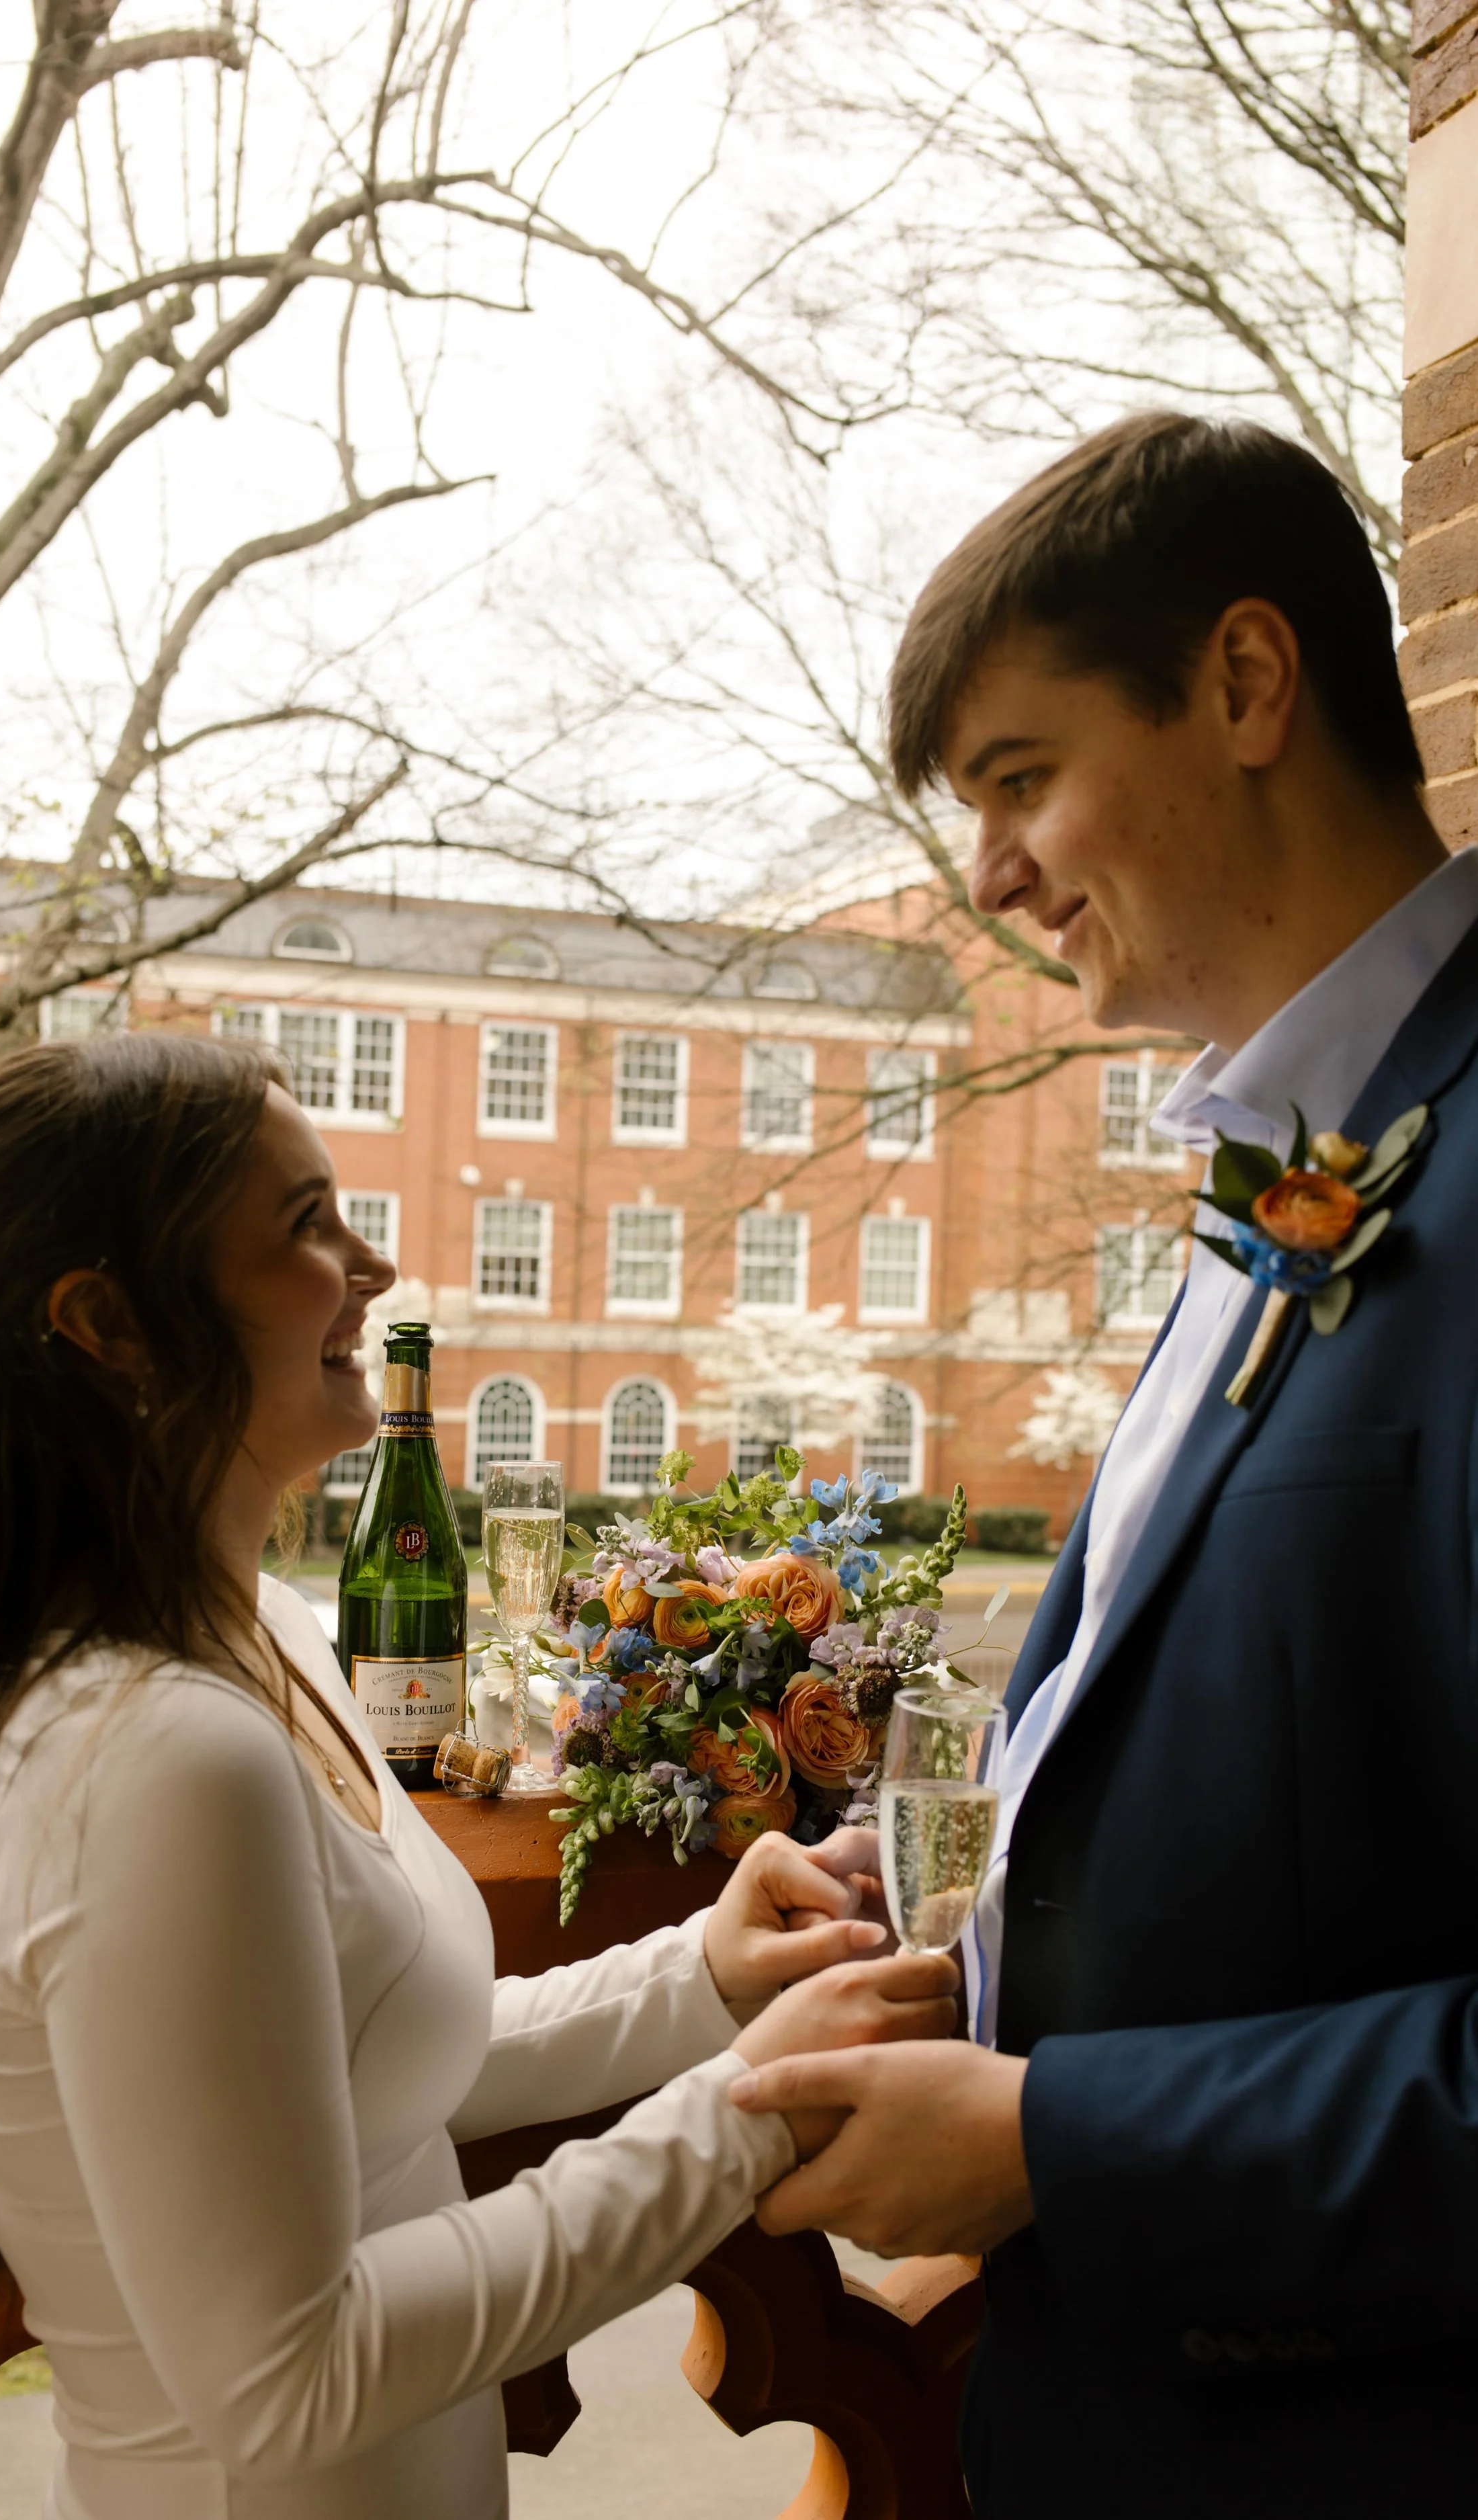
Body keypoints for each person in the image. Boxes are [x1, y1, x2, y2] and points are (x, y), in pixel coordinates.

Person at [0, 1032, 957, 2520]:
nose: (373, 1265)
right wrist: (745, 2116)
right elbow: (293, 2379)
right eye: (303, 1223)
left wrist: (702, 1977)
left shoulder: (266, 1636)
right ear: (112, 1324)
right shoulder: (148, 1754)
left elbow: (363, 2068)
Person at [729, 411, 1478, 2514]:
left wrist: (1054, 2139)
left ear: (1246, 684)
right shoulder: (1280, 1166)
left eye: (1016, 777)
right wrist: (957, 1895)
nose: (985, 877)